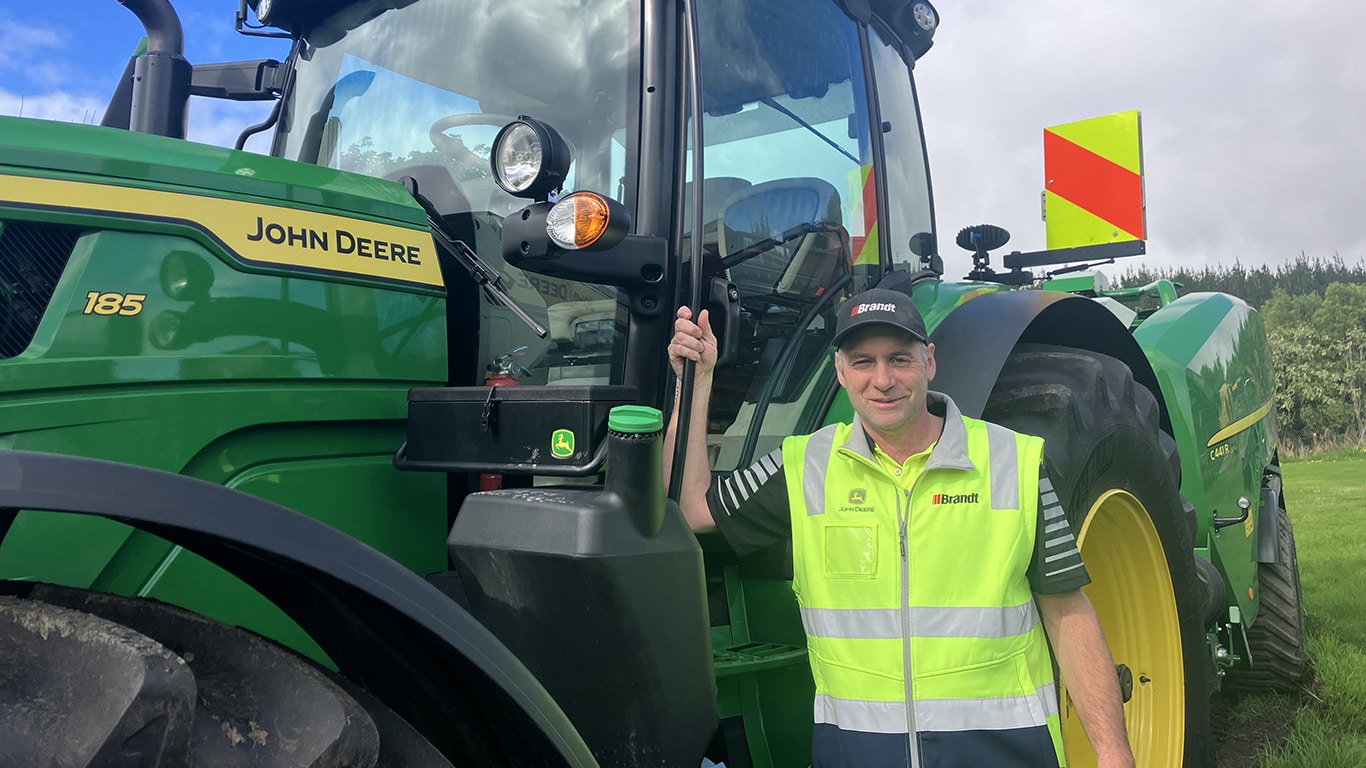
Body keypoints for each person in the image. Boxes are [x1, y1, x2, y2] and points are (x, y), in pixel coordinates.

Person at [664, 288, 1135, 768]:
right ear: (840, 371)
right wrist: (696, 384)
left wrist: (1113, 753)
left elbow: (1068, 612)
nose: (882, 380)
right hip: (858, 755)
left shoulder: (1012, 460)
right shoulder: (805, 466)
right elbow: (694, 507)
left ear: (929, 362)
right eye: (863, 361)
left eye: (899, 359)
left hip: (1003, 752)